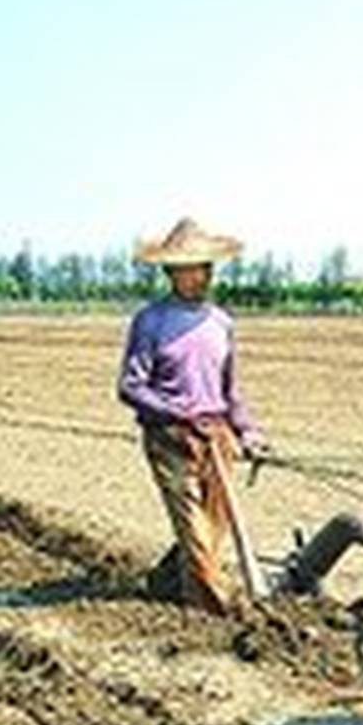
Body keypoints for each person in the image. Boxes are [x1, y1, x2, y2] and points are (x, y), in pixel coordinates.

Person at [118, 217, 268, 612]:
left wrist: (248, 432)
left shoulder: (222, 323)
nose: (196, 276)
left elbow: (230, 391)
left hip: (217, 438)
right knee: (197, 534)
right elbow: (130, 386)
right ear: (170, 272)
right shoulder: (150, 321)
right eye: (186, 268)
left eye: (202, 267)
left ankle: (166, 581)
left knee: (213, 529)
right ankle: (220, 614)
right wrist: (178, 413)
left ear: (211, 270)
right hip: (170, 438)